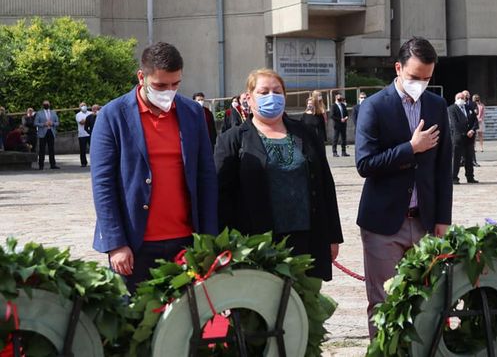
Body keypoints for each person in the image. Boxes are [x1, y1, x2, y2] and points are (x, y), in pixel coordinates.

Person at [90, 42, 218, 293]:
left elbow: (206, 177)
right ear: (141, 77)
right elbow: (103, 184)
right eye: (160, 85)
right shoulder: (112, 116)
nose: (168, 92)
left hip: (185, 242)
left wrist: (209, 239)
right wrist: (116, 243)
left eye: (175, 84)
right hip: (135, 245)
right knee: (136, 324)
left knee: (186, 325)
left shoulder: (192, 113)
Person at [355, 37, 452, 337]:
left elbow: (442, 167)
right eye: (414, 77)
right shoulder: (374, 106)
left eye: (427, 79)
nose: (420, 84)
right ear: (398, 68)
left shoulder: (436, 106)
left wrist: (442, 219)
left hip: (424, 222)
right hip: (383, 223)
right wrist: (410, 148)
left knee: (428, 301)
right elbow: (365, 163)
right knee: (384, 302)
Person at [214, 68, 343, 281]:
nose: (271, 97)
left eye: (277, 91)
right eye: (263, 92)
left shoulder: (306, 132)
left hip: (306, 238)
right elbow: (220, 195)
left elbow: (325, 186)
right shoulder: (233, 139)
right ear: (249, 97)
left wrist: (332, 237)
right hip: (255, 244)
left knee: (302, 308)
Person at [449, 92, 479, 184]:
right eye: (461, 98)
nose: (463, 100)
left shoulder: (468, 108)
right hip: (458, 137)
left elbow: (475, 121)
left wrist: (472, 130)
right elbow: (454, 124)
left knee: (469, 158)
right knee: (456, 159)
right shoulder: (452, 109)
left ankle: (470, 177)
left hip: (469, 138)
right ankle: (454, 177)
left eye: (464, 98)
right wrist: (465, 132)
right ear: (456, 99)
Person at [34, 100, 60, 170]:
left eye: (47, 104)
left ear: (49, 105)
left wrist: (52, 123)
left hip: (51, 132)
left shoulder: (53, 112)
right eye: (45, 104)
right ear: (43, 105)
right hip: (42, 133)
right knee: (42, 149)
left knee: (51, 149)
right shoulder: (39, 113)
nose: (46, 105)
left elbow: (57, 122)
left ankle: (53, 164)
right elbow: (35, 123)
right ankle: (41, 165)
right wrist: (43, 124)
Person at [331, 92, 349, 157]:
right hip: (337, 124)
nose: (340, 98)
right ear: (336, 97)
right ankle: (334, 152)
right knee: (335, 138)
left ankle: (343, 152)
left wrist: (346, 117)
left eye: (340, 97)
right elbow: (332, 116)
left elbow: (346, 113)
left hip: (343, 124)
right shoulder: (333, 106)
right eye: (339, 97)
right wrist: (340, 119)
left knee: (343, 138)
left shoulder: (343, 105)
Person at [75, 102, 90, 167]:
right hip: (82, 134)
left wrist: (85, 120)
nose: (83, 106)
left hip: (90, 134)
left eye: (84, 105)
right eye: (82, 106)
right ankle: (83, 163)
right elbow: (81, 122)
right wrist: (88, 120)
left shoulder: (90, 113)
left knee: (93, 149)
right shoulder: (78, 115)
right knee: (82, 150)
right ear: (79, 107)